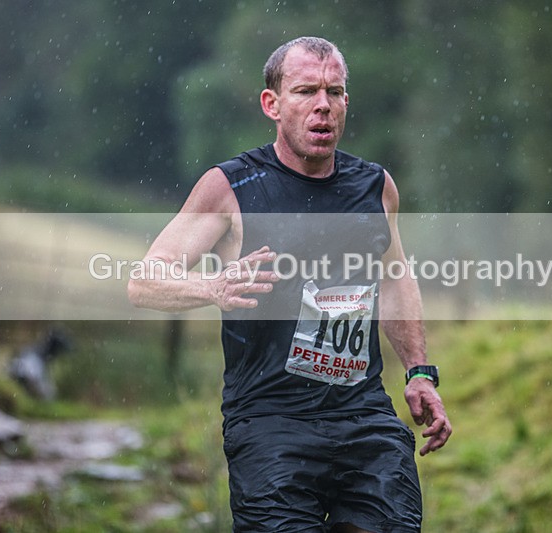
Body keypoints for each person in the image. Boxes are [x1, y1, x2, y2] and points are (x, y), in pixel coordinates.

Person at [128, 36, 451, 532]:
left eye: (335, 92)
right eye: (305, 92)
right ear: (272, 104)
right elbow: (145, 280)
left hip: (363, 418)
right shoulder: (231, 187)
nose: (323, 106)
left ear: (346, 102)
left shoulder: (375, 187)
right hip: (269, 423)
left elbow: (394, 278)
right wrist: (211, 289)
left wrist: (419, 371)